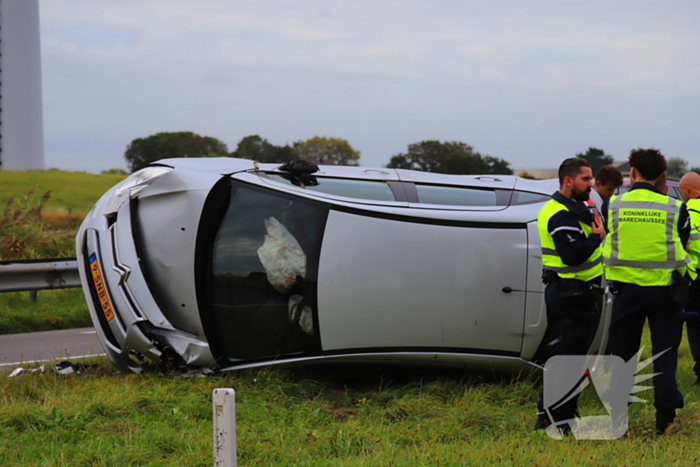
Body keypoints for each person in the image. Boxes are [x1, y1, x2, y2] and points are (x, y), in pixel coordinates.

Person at [603, 148, 690, 434]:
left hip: (625, 291)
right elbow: (684, 244)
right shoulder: (675, 207)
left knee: (622, 356)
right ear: (662, 175)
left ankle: (618, 419)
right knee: (664, 355)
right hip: (665, 293)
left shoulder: (614, 204)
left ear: (633, 172)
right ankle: (664, 419)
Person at [534, 157, 605, 433]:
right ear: (568, 181)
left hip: (578, 294)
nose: (591, 184)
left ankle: (557, 416)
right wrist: (595, 238)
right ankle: (555, 420)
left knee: (568, 358)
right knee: (566, 360)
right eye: (586, 179)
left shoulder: (573, 208)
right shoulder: (559, 214)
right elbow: (572, 254)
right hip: (569, 295)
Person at [679, 172, 700, 384]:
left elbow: (687, 246)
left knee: (695, 326)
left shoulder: (690, 213)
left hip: (696, 278)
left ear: (686, 191)